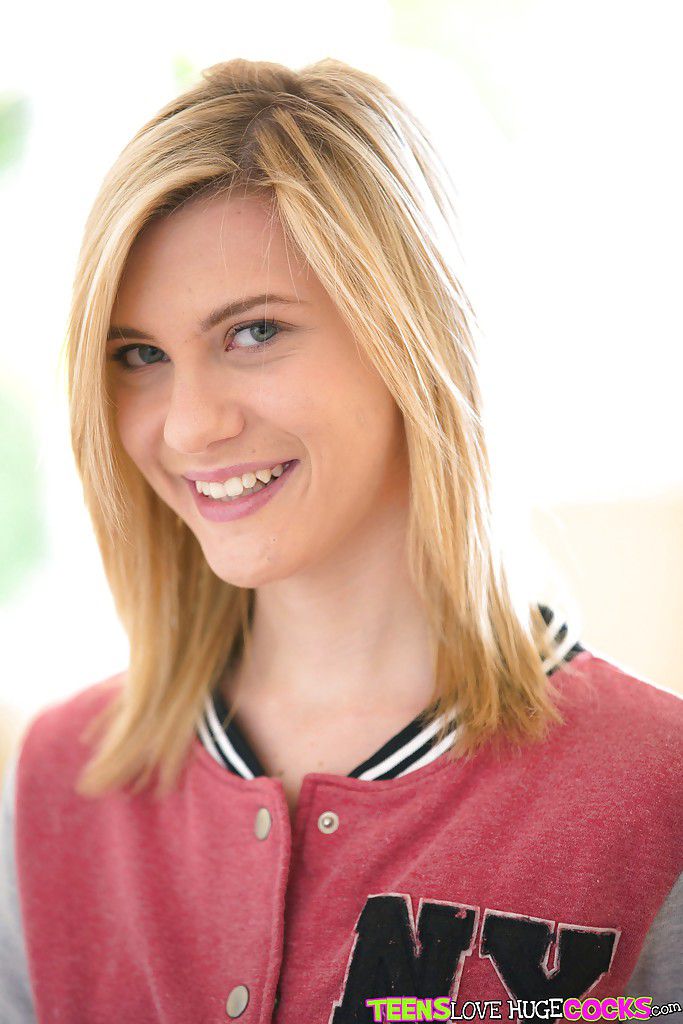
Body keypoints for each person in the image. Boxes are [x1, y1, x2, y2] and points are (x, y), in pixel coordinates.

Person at [0, 57, 681, 1024]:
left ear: (410, 336)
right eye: (139, 355)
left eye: (253, 333)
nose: (188, 426)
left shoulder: (656, 791)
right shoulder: (58, 780)